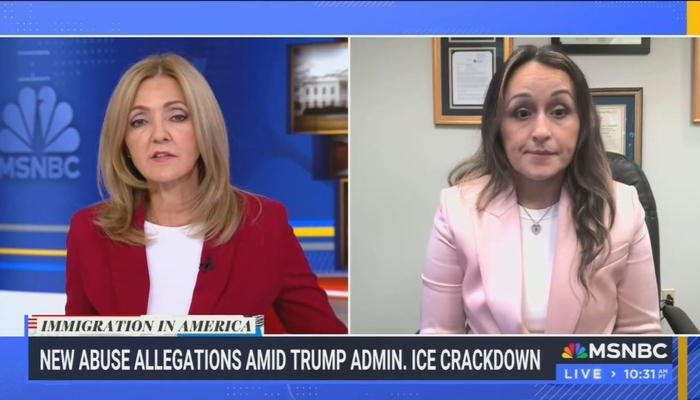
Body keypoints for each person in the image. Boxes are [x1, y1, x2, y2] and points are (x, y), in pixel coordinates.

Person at [64, 53, 347, 335]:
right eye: (139, 121)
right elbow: (72, 355)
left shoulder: (263, 226)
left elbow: (330, 347)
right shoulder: (89, 233)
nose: (159, 134)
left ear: (204, 130)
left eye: (177, 116)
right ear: (124, 142)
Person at [419, 45, 661, 335]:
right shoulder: (457, 209)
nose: (541, 132)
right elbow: (440, 337)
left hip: (584, 365)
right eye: (522, 113)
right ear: (498, 126)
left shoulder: (623, 207)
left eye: (559, 111)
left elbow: (640, 335)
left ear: (582, 124)